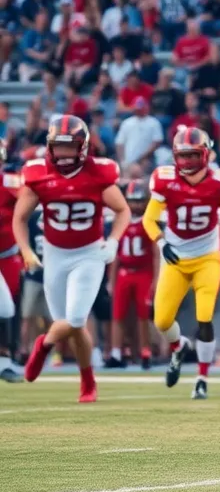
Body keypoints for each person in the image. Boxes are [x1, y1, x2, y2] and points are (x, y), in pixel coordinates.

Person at [15, 115, 131, 402]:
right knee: (71, 324)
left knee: (77, 317)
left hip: (89, 253)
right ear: (49, 146)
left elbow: (123, 210)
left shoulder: (99, 173)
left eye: (70, 147)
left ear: (83, 147)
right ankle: (88, 381)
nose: (64, 153)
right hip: (54, 254)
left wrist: (114, 240)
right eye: (59, 146)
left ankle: (43, 345)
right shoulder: (37, 173)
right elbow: (19, 219)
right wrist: (27, 250)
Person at [143, 127, 220, 400]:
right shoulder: (164, 179)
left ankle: (202, 377)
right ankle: (179, 347)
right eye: (183, 156)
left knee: (204, 317)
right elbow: (149, 219)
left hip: (207, 258)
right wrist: (162, 242)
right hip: (176, 258)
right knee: (162, 320)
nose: (187, 162)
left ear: (205, 154)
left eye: (193, 155)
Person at [106, 182, 157, 370]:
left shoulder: (149, 222)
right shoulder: (121, 220)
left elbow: (156, 253)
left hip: (144, 272)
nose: (135, 205)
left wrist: (156, 280)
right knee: (118, 314)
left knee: (144, 315)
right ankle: (116, 353)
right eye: (132, 201)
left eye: (139, 201)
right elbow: (116, 254)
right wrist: (111, 280)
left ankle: (145, 351)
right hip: (124, 272)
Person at [0, 144, 23, 382]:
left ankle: (5, 359)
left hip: (6, 254)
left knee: (7, 309)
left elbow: (29, 202)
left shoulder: (10, 183)